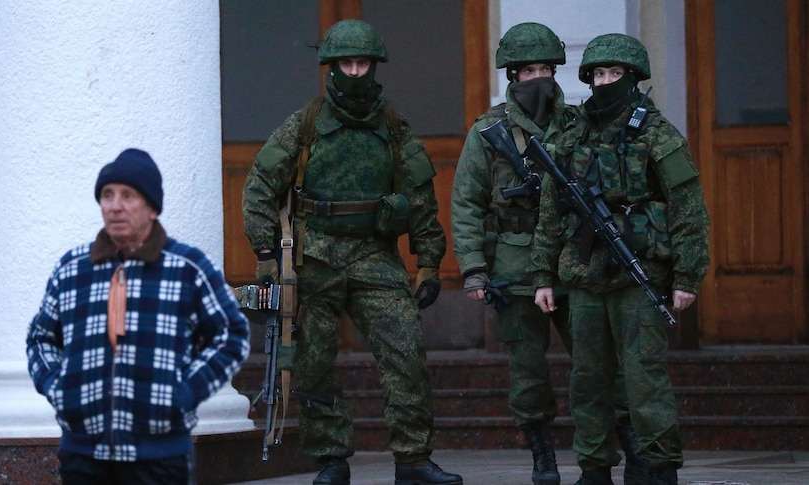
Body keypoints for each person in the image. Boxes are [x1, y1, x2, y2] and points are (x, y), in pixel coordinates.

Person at [241, 19, 461, 485]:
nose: (356, 72)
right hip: (313, 259)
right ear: (331, 67)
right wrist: (265, 254)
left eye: (363, 63)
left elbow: (421, 197)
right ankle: (331, 458)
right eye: (347, 63)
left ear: (374, 67)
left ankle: (413, 459)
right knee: (313, 362)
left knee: (405, 351)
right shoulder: (305, 124)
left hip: (375, 257)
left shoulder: (395, 126)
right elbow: (260, 185)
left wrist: (427, 263)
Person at [530, 33, 710, 485]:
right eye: (598, 74)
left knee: (644, 379)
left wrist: (687, 276)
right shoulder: (572, 134)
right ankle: (593, 468)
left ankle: (659, 465)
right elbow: (552, 210)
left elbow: (688, 208)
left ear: (633, 78)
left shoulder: (656, 132)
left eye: (615, 74)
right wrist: (542, 275)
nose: (605, 82)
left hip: (639, 276)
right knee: (587, 381)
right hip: (585, 279)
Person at [26, 148, 251, 485]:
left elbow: (231, 336)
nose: (115, 205)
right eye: (107, 195)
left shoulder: (187, 268)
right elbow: (40, 338)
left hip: (159, 458)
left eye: (127, 196)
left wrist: (184, 393)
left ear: (151, 207)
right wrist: (61, 388)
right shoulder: (72, 269)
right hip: (83, 455)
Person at [450, 22, 574, 485]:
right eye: (528, 72)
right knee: (528, 371)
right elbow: (466, 202)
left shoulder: (576, 124)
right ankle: (542, 455)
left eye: (546, 69)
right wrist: (475, 270)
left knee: (596, 362)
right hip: (513, 266)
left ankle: (607, 448)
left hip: (573, 261)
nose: (538, 79)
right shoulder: (489, 131)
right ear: (513, 76)